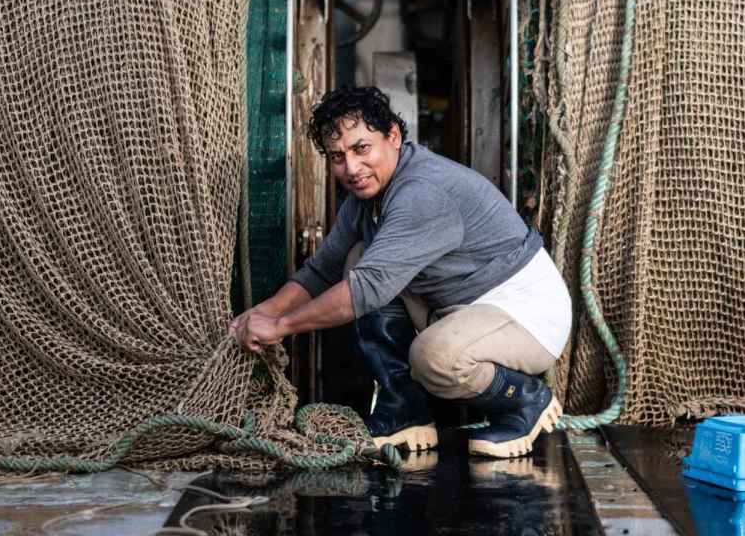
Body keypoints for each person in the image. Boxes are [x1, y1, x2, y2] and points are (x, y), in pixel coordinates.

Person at [231, 86, 572, 458]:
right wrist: (265, 311)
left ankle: (525, 400)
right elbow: (322, 270)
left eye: (362, 149)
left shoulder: (422, 192)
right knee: (359, 256)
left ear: (393, 136)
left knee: (433, 358)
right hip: (460, 308)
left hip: (526, 314)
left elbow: (368, 289)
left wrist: (280, 328)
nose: (351, 169)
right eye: (337, 157)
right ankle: (405, 410)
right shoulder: (364, 201)